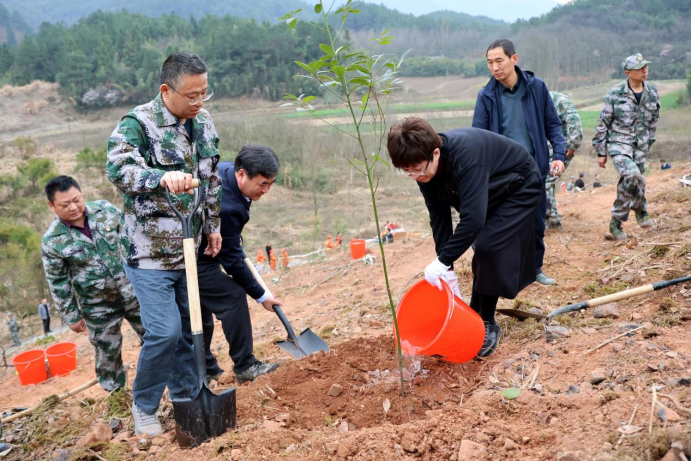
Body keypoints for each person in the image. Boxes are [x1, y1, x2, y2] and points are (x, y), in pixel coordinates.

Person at [106, 51, 222, 436]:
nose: (199, 102)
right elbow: (118, 168)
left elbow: (211, 179)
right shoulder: (138, 123)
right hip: (148, 251)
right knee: (165, 331)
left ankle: (189, 396)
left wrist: (214, 225)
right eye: (191, 95)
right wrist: (161, 178)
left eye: (204, 93)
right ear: (166, 90)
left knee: (192, 328)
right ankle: (144, 405)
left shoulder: (203, 121)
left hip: (189, 246)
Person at [388, 118, 542, 357]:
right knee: (482, 246)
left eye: (418, 169)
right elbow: (439, 217)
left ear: (436, 153)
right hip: (488, 190)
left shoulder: (466, 158)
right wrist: (445, 264)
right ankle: (474, 315)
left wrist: (442, 261)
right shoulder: (423, 170)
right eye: (407, 172)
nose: (415, 176)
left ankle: (487, 321)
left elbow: (473, 220)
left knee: (489, 246)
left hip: (518, 185)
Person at [472, 39, 566, 286]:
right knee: (504, 225)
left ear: (514, 59)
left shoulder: (536, 88)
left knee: (536, 222)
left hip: (534, 169)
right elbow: (478, 137)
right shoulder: (487, 96)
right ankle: (507, 273)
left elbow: (552, 124)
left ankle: (535, 269)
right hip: (502, 174)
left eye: (499, 61)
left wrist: (558, 155)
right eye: (490, 63)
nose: (494, 68)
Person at [41, 176, 145, 392]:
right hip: (98, 305)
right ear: (51, 205)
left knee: (156, 336)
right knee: (107, 353)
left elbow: (133, 238)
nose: (73, 207)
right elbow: (58, 281)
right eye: (64, 204)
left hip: (134, 290)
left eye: (76, 200)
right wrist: (71, 315)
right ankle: (117, 397)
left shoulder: (105, 210)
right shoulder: (52, 241)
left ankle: (172, 384)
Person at [198, 146, 282, 384]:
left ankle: (207, 368)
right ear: (242, 174)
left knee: (203, 311)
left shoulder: (226, 171)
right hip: (191, 260)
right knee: (232, 295)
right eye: (263, 184)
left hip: (206, 251)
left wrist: (233, 237)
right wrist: (261, 295)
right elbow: (233, 261)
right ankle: (245, 365)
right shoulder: (227, 206)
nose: (266, 190)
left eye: (271, 184)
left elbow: (230, 246)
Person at [593, 53, 659, 241]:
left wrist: (649, 143)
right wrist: (601, 151)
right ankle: (640, 210)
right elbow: (603, 122)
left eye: (646, 67)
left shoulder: (652, 92)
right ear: (628, 72)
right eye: (640, 68)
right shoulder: (615, 93)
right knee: (633, 176)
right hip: (619, 143)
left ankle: (616, 223)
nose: (644, 70)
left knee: (630, 183)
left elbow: (653, 121)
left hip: (641, 145)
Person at [545, 91, 583, 230]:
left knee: (545, 181)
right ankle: (554, 221)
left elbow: (574, 121)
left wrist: (572, 145)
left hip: (561, 150)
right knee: (546, 182)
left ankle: (546, 216)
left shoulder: (559, 100)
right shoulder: (531, 100)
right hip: (543, 150)